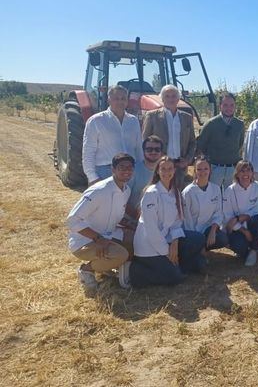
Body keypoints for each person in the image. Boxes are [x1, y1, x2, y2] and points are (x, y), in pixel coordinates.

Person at [130, 156, 206, 288]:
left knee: (198, 239)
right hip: (149, 247)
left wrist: (175, 243)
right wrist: (167, 252)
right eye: (163, 169)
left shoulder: (174, 192)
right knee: (175, 277)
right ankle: (133, 272)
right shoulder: (151, 193)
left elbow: (177, 222)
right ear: (157, 171)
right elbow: (151, 229)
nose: (166, 172)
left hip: (168, 239)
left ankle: (178, 265)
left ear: (174, 170)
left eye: (170, 168)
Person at [67, 153, 135, 291]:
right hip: (84, 241)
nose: (126, 171)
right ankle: (86, 270)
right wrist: (98, 239)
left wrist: (131, 225)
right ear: (113, 169)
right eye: (122, 167)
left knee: (136, 240)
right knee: (121, 254)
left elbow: (114, 214)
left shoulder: (126, 190)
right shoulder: (99, 190)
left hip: (107, 235)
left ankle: (106, 267)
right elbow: (73, 220)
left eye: (130, 167)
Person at [82, 85, 142, 184]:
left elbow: (138, 148)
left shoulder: (133, 121)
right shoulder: (96, 121)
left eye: (123, 98)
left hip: (130, 171)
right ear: (109, 100)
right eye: (116, 98)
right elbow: (88, 151)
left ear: (127, 101)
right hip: (106, 172)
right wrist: (92, 177)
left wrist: (141, 172)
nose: (120, 101)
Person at [142, 85, 196, 189]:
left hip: (180, 167)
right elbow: (145, 141)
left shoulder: (187, 117)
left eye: (174, 96)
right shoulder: (152, 116)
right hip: (159, 167)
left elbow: (192, 142)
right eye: (167, 96)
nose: (171, 99)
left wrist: (187, 160)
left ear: (178, 98)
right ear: (162, 99)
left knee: (178, 196)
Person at [182, 157, 228, 272]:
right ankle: (196, 253)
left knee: (222, 239)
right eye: (199, 169)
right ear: (194, 171)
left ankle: (203, 250)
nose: (203, 172)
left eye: (205, 169)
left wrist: (213, 231)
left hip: (207, 229)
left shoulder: (216, 189)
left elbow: (218, 213)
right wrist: (198, 242)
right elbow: (187, 221)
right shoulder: (188, 192)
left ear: (210, 170)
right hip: (192, 233)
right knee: (200, 267)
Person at [196, 92, 245, 189]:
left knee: (229, 197)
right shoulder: (211, 123)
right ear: (220, 106)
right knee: (213, 196)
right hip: (215, 168)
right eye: (225, 105)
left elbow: (240, 144)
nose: (229, 108)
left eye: (232, 105)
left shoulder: (239, 124)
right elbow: (201, 145)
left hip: (232, 168)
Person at [222, 161, 258, 267]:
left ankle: (254, 249)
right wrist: (244, 231)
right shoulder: (230, 190)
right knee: (239, 246)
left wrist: (244, 216)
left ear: (252, 173)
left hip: (249, 222)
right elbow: (228, 218)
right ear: (237, 174)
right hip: (236, 228)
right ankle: (245, 250)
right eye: (242, 171)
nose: (245, 174)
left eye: (248, 170)